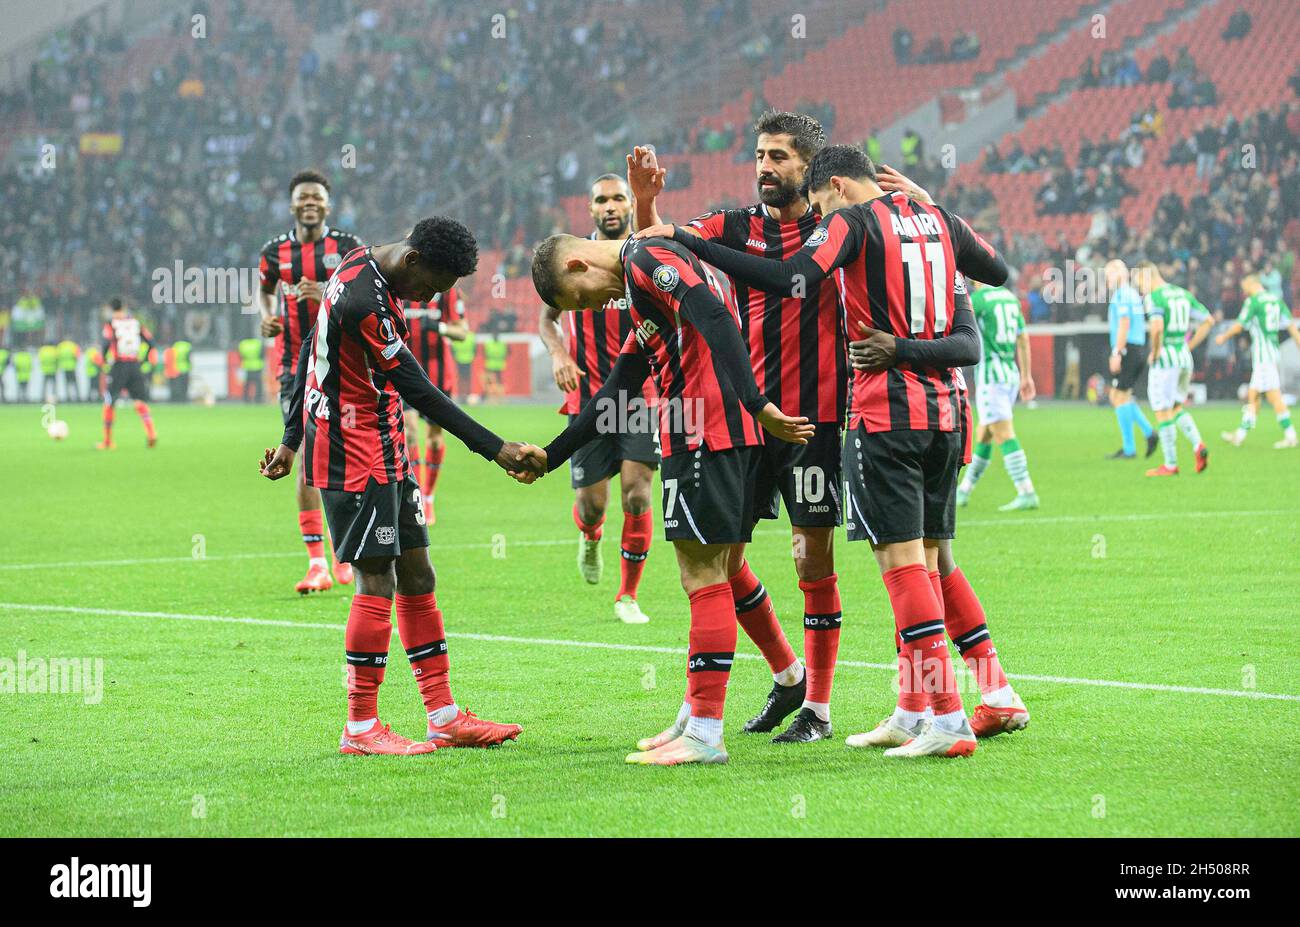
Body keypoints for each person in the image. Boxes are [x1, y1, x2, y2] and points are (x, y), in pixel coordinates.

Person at [639, 144, 1011, 757]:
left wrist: (696, 245)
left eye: (818, 202)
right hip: (947, 415)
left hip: (882, 415)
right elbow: (995, 274)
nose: (816, 214)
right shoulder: (937, 219)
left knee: (905, 566)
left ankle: (947, 716)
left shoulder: (849, 222)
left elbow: (794, 278)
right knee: (931, 561)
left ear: (833, 186)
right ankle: (929, 705)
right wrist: (924, 201)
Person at [526, 227, 814, 766]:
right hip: (722, 431)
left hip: (705, 430)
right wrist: (553, 454)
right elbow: (619, 385)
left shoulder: (643, 257)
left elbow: (712, 313)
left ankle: (705, 732)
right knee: (723, 567)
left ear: (576, 268)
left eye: (580, 301)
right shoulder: (645, 284)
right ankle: (698, 710)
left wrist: (757, 401)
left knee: (700, 573)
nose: (594, 308)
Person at [260, 216, 532, 756]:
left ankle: (444, 715)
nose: (427, 298)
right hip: (349, 450)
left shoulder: (359, 260)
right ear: (411, 260)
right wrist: (495, 448)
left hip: (386, 447)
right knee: (376, 578)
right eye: (429, 287)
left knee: (417, 571)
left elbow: (314, 348)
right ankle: (360, 726)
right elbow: (419, 390)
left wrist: (289, 437)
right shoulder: (366, 301)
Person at [629, 112, 847, 742]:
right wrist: (646, 204)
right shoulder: (731, 224)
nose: (765, 167)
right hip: (744, 419)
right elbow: (659, 249)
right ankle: (787, 675)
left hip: (811, 422)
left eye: (779, 156)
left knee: (812, 560)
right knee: (722, 559)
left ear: (809, 165)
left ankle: (819, 709)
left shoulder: (833, 232)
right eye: (759, 155)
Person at [538, 173, 658, 625]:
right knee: (593, 505)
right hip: (588, 399)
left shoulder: (643, 257)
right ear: (589, 210)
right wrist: (559, 354)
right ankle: (590, 536)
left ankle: (627, 596)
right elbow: (547, 319)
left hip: (642, 396)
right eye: (601, 200)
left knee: (637, 494)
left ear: (630, 204)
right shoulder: (575, 259)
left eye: (618, 198)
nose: (610, 206)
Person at [248, 169, 364, 594]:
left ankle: (343, 553)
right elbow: (263, 290)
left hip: (343, 365)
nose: (309, 202)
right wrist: (266, 316)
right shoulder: (274, 251)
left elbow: (367, 294)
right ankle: (318, 562)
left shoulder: (348, 247)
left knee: (347, 459)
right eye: (302, 197)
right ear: (292, 204)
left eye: (316, 196)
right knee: (305, 456)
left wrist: (330, 293)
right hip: (294, 370)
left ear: (327, 205)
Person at [956, 280, 1040, 509]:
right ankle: (963, 491)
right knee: (985, 434)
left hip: (991, 378)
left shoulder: (979, 300)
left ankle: (1026, 491)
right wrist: (1026, 375)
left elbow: (961, 330)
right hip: (1010, 374)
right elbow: (1022, 339)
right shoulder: (1010, 298)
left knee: (1003, 434)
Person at [1133, 261, 1213, 476]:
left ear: (1146, 276)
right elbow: (1209, 320)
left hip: (1166, 360)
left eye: (1139, 282)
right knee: (1176, 407)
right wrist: (1190, 345)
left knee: (1161, 411)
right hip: (1184, 357)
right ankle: (1198, 445)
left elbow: (1157, 328)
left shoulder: (1155, 297)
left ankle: (1170, 464)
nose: (1140, 289)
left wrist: (1156, 351)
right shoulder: (1182, 294)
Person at [403, 286, 469, 525]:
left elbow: (462, 332)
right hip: (405, 374)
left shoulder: (448, 290)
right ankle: (417, 495)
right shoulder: (401, 285)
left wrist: (440, 328)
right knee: (409, 432)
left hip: (438, 376)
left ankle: (429, 496)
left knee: (433, 438)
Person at [1217, 275, 1300, 448]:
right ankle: (1240, 435)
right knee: (1254, 396)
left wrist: (1223, 337)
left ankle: (1291, 435)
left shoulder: (1253, 301)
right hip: (1272, 353)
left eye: (1244, 287)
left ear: (1251, 284)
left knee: (1273, 397)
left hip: (1263, 357)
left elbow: (1240, 325)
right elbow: (1292, 328)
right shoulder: (1276, 300)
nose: (1244, 291)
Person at [1104, 259, 1158, 460]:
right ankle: (1146, 435)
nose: (1107, 279)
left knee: (1118, 396)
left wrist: (1117, 352)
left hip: (1129, 348)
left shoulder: (1122, 295)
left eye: (1110, 274)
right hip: (1137, 348)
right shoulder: (1133, 294)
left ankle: (1131, 446)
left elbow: (1124, 323)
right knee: (1121, 396)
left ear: (1120, 274)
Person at [99, 298, 157, 449]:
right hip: (135, 364)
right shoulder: (136, 323)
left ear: (111, 309)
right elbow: (151, 343)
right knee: (139, 402)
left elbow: (105, 344)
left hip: (119, 365)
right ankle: (151, 433)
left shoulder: (111, 324)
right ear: (124, 307)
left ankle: (107, 441)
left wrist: (104, 360)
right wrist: (143, 360)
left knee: (109, 402)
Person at [238, 336, 265, 403]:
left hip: (247, 366)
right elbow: (262, 355)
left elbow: (240, 356)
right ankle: (258, 399)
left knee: (247, 385)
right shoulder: (258, 343)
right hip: (257, 366)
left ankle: (246, 399)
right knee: (258, 385)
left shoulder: (243, 344)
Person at [56, 337, 81, 402]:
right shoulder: (73, 345)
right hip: (72, 367)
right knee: (75, 383)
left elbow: (57, 356)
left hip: (64, 367)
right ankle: (77, 397)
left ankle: (68, 397)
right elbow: (77, 355)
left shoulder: (61, 346)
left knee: (67, 383)